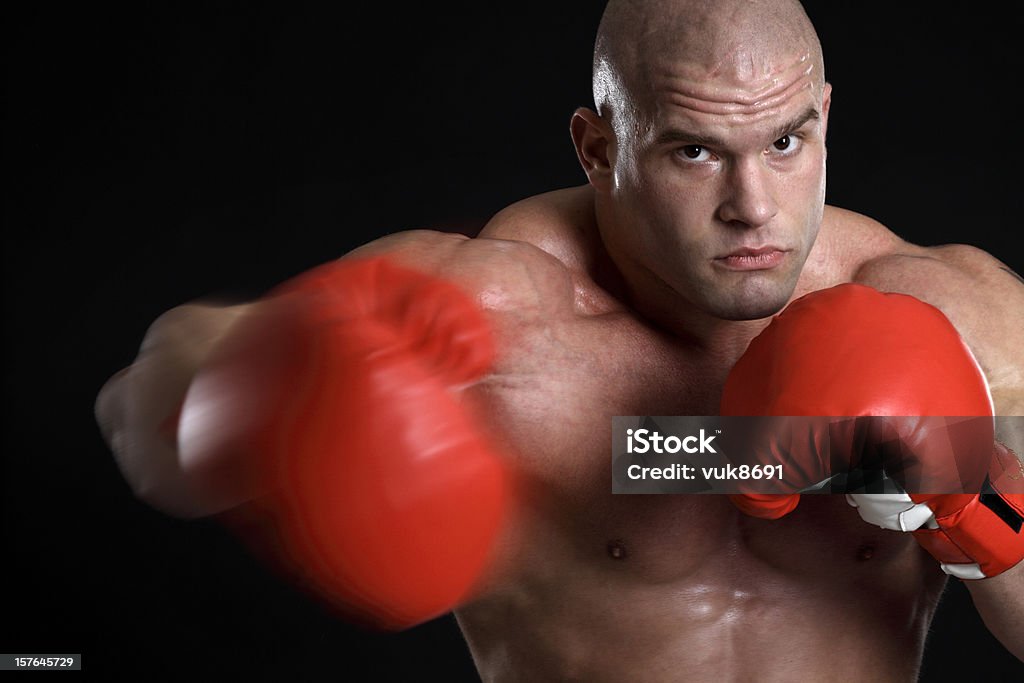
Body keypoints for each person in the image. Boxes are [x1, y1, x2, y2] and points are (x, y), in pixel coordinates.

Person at [94, 0, 1024, 680]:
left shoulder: (948, 309)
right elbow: (141, 409)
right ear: (597, 146)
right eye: (694, 150)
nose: (754, 206)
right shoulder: (494, 312)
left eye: (786, 142)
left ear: (824, 114)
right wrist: (290, 369)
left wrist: (977, 496)